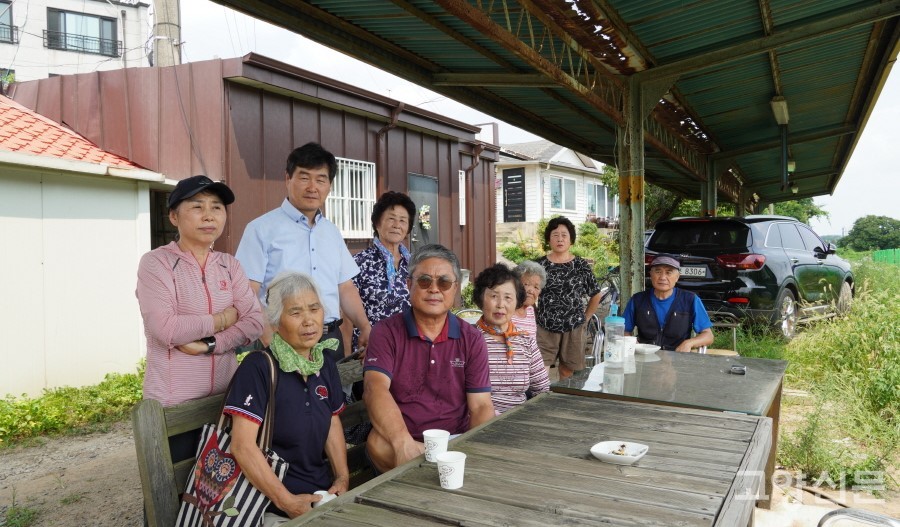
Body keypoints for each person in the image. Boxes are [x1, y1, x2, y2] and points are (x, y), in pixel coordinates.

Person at [225, 272, 349, 523]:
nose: (309, 321)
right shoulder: (259, 367)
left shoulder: (323, 364)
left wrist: (343, 477)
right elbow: (242, 446)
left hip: (321, 494)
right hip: (269, 505)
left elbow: (332, 422)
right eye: (295, 313)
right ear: (275, 322)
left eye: (314, 309)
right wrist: (287, 502)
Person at [363, 244, 494, 473]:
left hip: (455, 438)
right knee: (377, 444)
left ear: (455, 289)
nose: (434, 289)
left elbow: (481, 404)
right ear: (409, 285)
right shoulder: (386, 332)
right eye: (424, 281)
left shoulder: (471, 337)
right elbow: (375, 389)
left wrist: (470, 448)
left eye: (444, 282)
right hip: (404, 435)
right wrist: (403, 442)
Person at [235, 142, 372, 361]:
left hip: (330, 340)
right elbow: (247, 293)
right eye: (304, 177)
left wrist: (364, 325)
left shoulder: (331, 232)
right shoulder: (260, 229)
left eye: (321, 179)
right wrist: (274, 344)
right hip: (284, 340)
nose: (312, 187)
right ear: (287, 179)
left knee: (331, 396)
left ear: (329, 185)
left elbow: (345, 287)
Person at [136, 175, 264, 409]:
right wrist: (222, 319)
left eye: (216, 207)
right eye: (197, 206)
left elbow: (255, 322)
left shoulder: (230, 265)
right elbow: (166, 329)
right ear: (173, 216)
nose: (209, 215)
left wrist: (212, 344)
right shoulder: (157, 263)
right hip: (174, 404)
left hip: (226, 399)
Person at [473, 264, 550, 414]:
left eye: (508, 297)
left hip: (520, 421)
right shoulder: (470, 340)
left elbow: (542, 389)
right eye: (494, 296)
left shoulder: (525, 340)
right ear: (481, 299)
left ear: (517, 302)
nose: (501, 305)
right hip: (480, 423)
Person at [535, 217, 602, 379]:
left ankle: (561, 402)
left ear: (571, 239)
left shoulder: (580, 265)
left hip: (573, 326)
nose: (560, 239)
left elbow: (595, 294)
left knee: (567, 372)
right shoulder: (539, 265)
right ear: (548, 239)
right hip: (545, 327)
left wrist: (585, 319)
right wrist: (533, 314)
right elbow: (526, 293)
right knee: (540, 372)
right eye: (555, 235)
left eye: (564, 235)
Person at [351, 191, 417, 352]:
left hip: (410, 348)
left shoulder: (416, 264)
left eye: (403, 220)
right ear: (377, 223)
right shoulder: (359, 262)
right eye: (391, 219)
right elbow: (346, 313)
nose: (397, 225)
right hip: (370, 349)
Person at [623, 255, 714, 352]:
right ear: (651, 274)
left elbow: (708, 335)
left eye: (668, 272)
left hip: (677, 358)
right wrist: (634, 345)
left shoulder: (690, 300)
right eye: (658, 272)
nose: (662, 277)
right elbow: (623, 330)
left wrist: (689, 343)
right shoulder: (637, 300)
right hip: (645, 357)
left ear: (677, 277)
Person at [511, 260, 546, 337]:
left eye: (536, 287)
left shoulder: (530, 310)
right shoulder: (507, 310)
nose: (531, 290)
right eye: (526, 284)